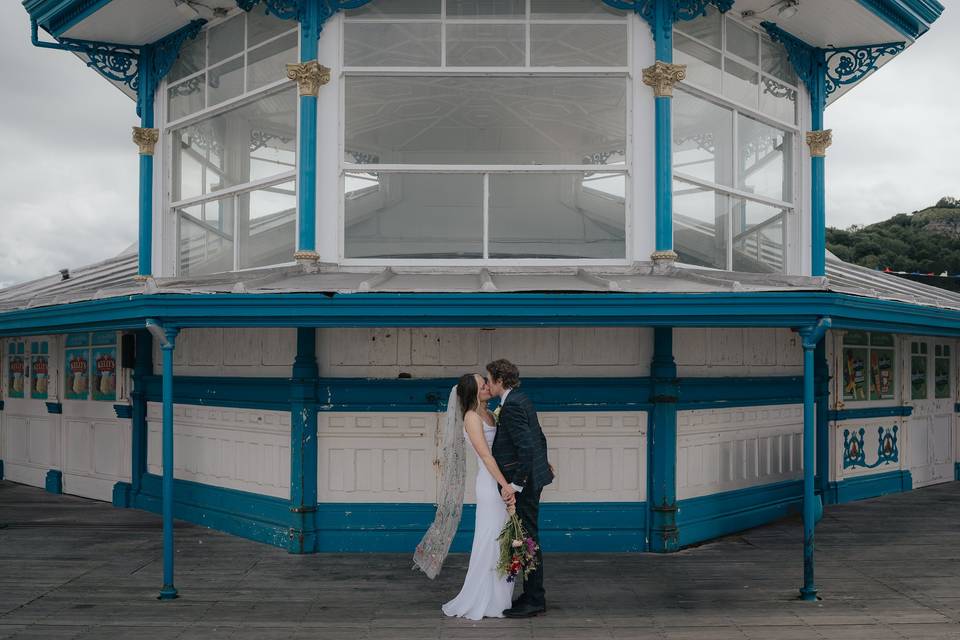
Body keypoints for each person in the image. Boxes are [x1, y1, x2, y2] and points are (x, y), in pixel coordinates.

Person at [413, 373, 515, 620]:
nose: (488, 386)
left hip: (500, 480)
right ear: (474, 392)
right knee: (489, 540)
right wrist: (505, 486)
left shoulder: (490, 413)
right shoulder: (471, 418)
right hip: (491, 484)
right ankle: (480, 598)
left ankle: (500, 598)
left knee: (503, 542)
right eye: (483, 385)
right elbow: (486, 456)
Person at [487, 358, 553, 618]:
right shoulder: (521, 399)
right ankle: (531, 594)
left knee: (528, 538)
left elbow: (526, 446)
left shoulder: (512, 406)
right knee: (527, 536)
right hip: (533, 477)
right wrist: (542, 464)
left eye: (490, 380)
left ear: (500, 380)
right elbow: (539, 437)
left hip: (524, 483)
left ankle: (535, 599)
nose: (489, 385)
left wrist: (516, 483)